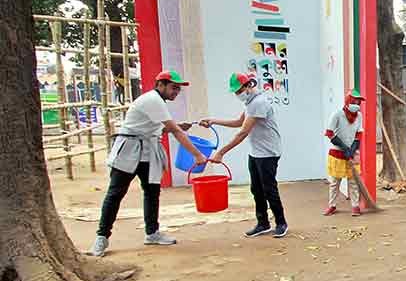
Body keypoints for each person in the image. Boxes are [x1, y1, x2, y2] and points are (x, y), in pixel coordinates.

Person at [90, 70, 206, 257]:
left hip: (148, 151)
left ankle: (152, 233)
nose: (176, 92)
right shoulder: (153, 100)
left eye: (178, 89)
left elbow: (163, 127)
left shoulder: (158, 102)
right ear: (160, 84)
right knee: (115, 193)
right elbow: (176, 131)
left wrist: (175, 127)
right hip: (129, 149)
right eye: (173, 87)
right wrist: (197, 155)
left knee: (152, 192)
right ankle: (101, 237)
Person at [202, 73, 287, 238]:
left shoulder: (259, 103)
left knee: (269, 189)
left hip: (268, 153)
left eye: (239, 90)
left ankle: (281, 222)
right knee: (256, 189)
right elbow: (238, 122)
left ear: (248, 86)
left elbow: (243, 132)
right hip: (256, 152)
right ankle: (263, 223)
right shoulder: (250, 103)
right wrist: (214, 121)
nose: (237, 94)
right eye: (235, 92)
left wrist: (221, 152)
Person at [323, 90, 365, 216]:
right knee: (335, 182)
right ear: (348, 101)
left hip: (352, 153)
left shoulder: (359, 116)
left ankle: (355, 206)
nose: (357, 104)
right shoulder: (337, 115)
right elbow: (330, 133)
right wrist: (344, 148)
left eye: (358, 102)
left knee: (353, 181)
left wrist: (352, 150)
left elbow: (359, 134)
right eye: (354, 101)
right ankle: (332, 205)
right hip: (337, 152)